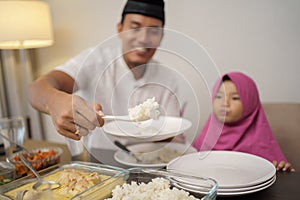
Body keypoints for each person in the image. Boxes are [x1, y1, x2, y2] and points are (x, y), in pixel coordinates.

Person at [28, 0, 185, 153]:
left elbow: (171, 135)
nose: (144, 39)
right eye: (135, 28)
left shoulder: (167, 77)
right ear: (120, 28)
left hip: (148, 163)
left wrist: (173, 138)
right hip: (101, 161)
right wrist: (55, 102)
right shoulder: (95, 60)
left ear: (161, 37)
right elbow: (36, 90)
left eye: (154, 31)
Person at [192, 72, 295, 172]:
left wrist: (281, 171)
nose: (224, 103)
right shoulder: (205, 138)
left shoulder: (262, 145)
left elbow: (276, 177)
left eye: (235, 98)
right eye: (219, 96)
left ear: (250, 102)